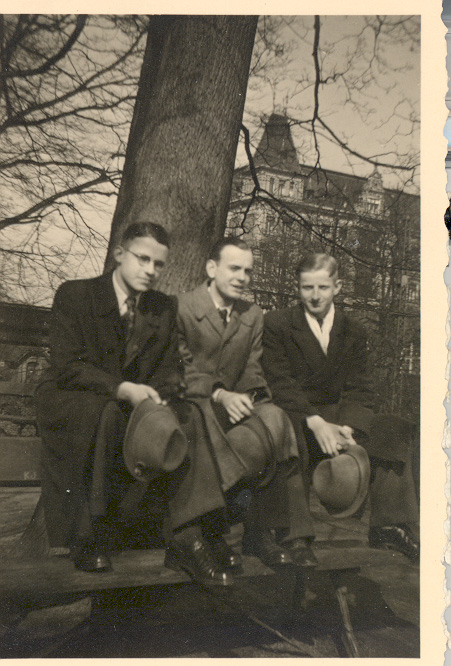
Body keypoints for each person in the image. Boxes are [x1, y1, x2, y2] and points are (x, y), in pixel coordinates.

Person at [36, 222, 239, 585]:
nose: (150, 270)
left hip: (130, 402)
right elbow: (67, 366)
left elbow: (168, 367)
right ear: (119, 254)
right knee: (107, 411)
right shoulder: (77, 295)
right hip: (73, 399)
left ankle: (192, 532)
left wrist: (164, 389)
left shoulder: (162, 307)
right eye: (142, 259)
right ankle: (90, 535)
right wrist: (122, 388)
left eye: (159, 264)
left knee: (188, 414)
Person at [262, 252, 419, 562]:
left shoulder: (354, 330)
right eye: (307, 288)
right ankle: (295, 535)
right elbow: (280, 383)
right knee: (289, 432)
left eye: (322, 287)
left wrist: (349, 427)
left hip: (339, 418)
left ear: (338, 287)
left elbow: (360, 386)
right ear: (298, 287)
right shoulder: (277, 324)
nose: (315, 296)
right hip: (297, 413)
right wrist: (315, 421)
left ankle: (389, 526)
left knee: (393, 429)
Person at [176, 237, 317, 570]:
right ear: (212, 269)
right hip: (194, 405)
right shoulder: (181, 307)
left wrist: (254, 400)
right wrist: (220, 393)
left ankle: (277, 533)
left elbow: (252, 369)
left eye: (248, 271)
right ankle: (215, 526)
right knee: (211, 420)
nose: (242, 277)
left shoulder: (251, 314)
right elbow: (179, 368)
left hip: (235, 406)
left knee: (278, 420)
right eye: (234, 268)